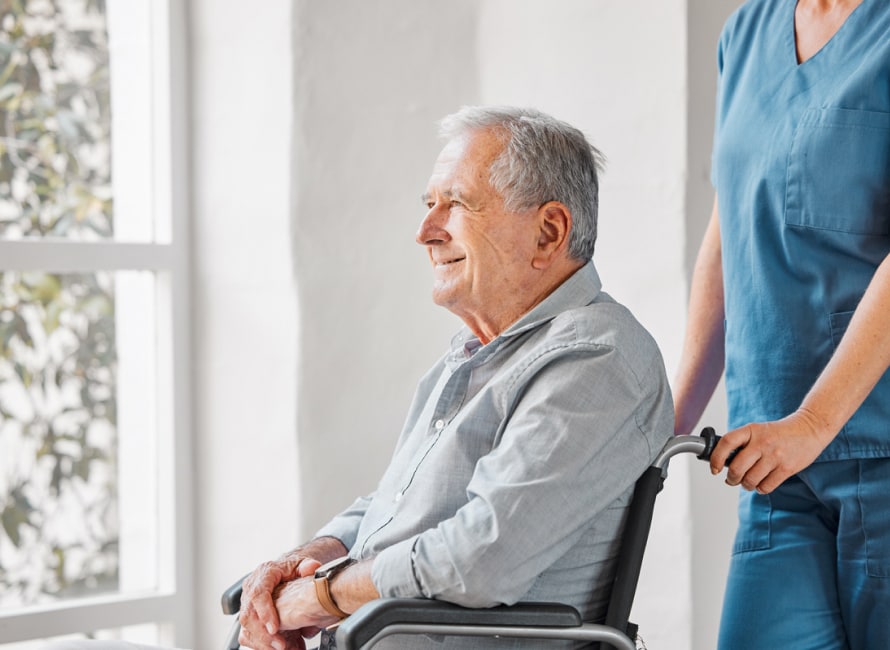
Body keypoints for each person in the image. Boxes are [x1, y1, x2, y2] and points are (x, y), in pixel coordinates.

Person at [233, 106, 673, 650]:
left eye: (456, 204)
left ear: (548, 232)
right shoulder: (474, 353)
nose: (425, 232)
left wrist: (323, 597)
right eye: (428, 205)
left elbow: (482, 556)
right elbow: (394, 508)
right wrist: (310, 558)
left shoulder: (597, 359)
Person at [672, 1, 890, 648]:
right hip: (775, 463)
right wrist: (674, 414)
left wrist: (814, 425)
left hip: (875, 449)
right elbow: (729, 222)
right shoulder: (746, 32)